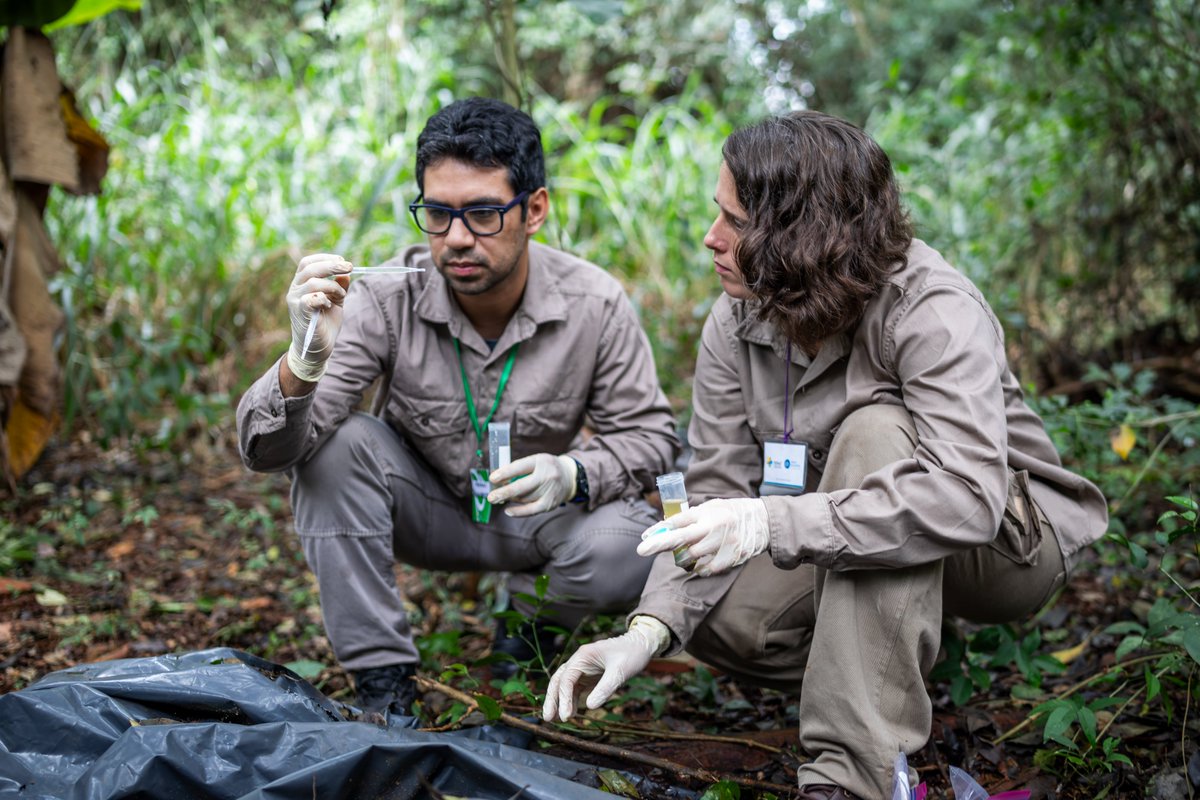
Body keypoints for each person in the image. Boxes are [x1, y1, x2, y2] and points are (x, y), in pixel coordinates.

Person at [542, 110, 1107, 799]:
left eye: (736, 222)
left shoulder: (931, 308)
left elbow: (964, 495)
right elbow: (716, 484)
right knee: (723, 620)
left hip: (1005, 548)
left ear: (802, 236)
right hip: (853, 531)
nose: (710, 239)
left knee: (874, 432)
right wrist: (648, 632)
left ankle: (852, 778)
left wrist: (770, 525)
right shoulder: (738, 316)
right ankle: (891, 649)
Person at [236, 97, 679, 717]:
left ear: (535, 210)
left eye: (483, 214)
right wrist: (303, 360)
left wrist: (572, 473)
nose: (457, 239)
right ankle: (383, 680)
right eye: (438, 214)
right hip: (429, 511)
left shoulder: (594, 302)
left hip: (535, 517)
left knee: (631, 543)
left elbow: (653, 437)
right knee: (334, 451)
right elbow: (273, 452)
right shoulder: (386, 297)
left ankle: (526, 631)